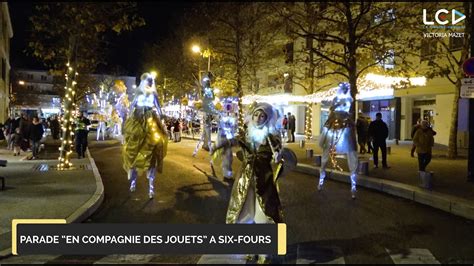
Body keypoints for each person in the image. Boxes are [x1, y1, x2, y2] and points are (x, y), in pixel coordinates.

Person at [221, 102, 287, 264]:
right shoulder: (245, 136)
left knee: (264, 216)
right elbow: (236, 149)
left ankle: (266, 253)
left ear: (267, 118)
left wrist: (279, 158)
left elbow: (279, 159)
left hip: (264, 182)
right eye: (256, 115)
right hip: (245, 181)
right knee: (246, 215)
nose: (258, 118)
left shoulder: (272, 138)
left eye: (262, 116)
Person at [122, 72, 168, 199]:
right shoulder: (138, 92)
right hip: (138, 120)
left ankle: (151, 187)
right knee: (134, 147)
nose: (150, 83)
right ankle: (133, 181)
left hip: (150, 120)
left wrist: (161, 117)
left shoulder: (153, 94)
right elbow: (132, 106)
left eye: (151, 81)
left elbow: (158, 107)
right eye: (148, 81)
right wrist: (129, 117)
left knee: (155, 144)